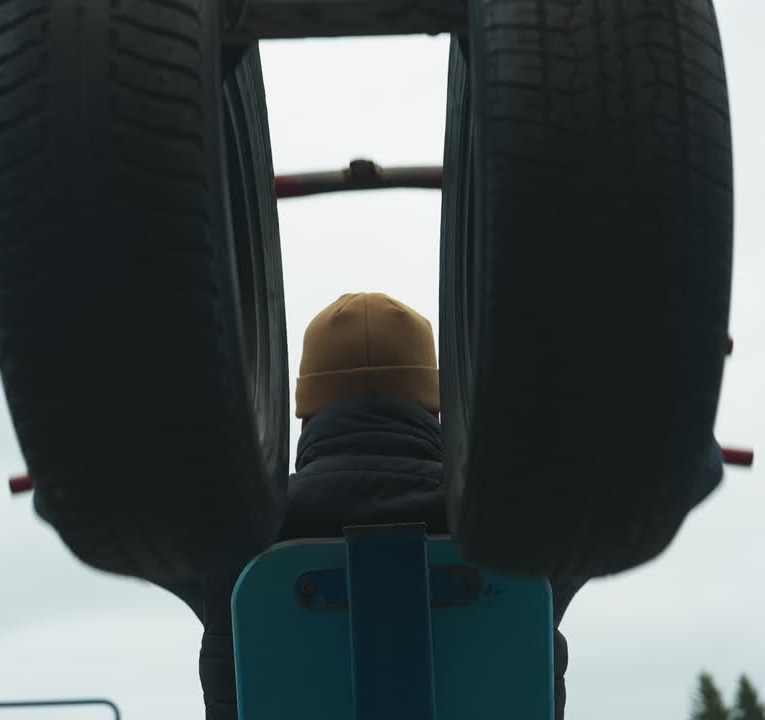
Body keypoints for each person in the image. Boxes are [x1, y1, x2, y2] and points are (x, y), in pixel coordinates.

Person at [162, 292, 721, 720]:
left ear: (304, 418)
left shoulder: (235, 533)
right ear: (435, 411)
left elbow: (125, 516)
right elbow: (700, 464)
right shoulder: (517, 525)